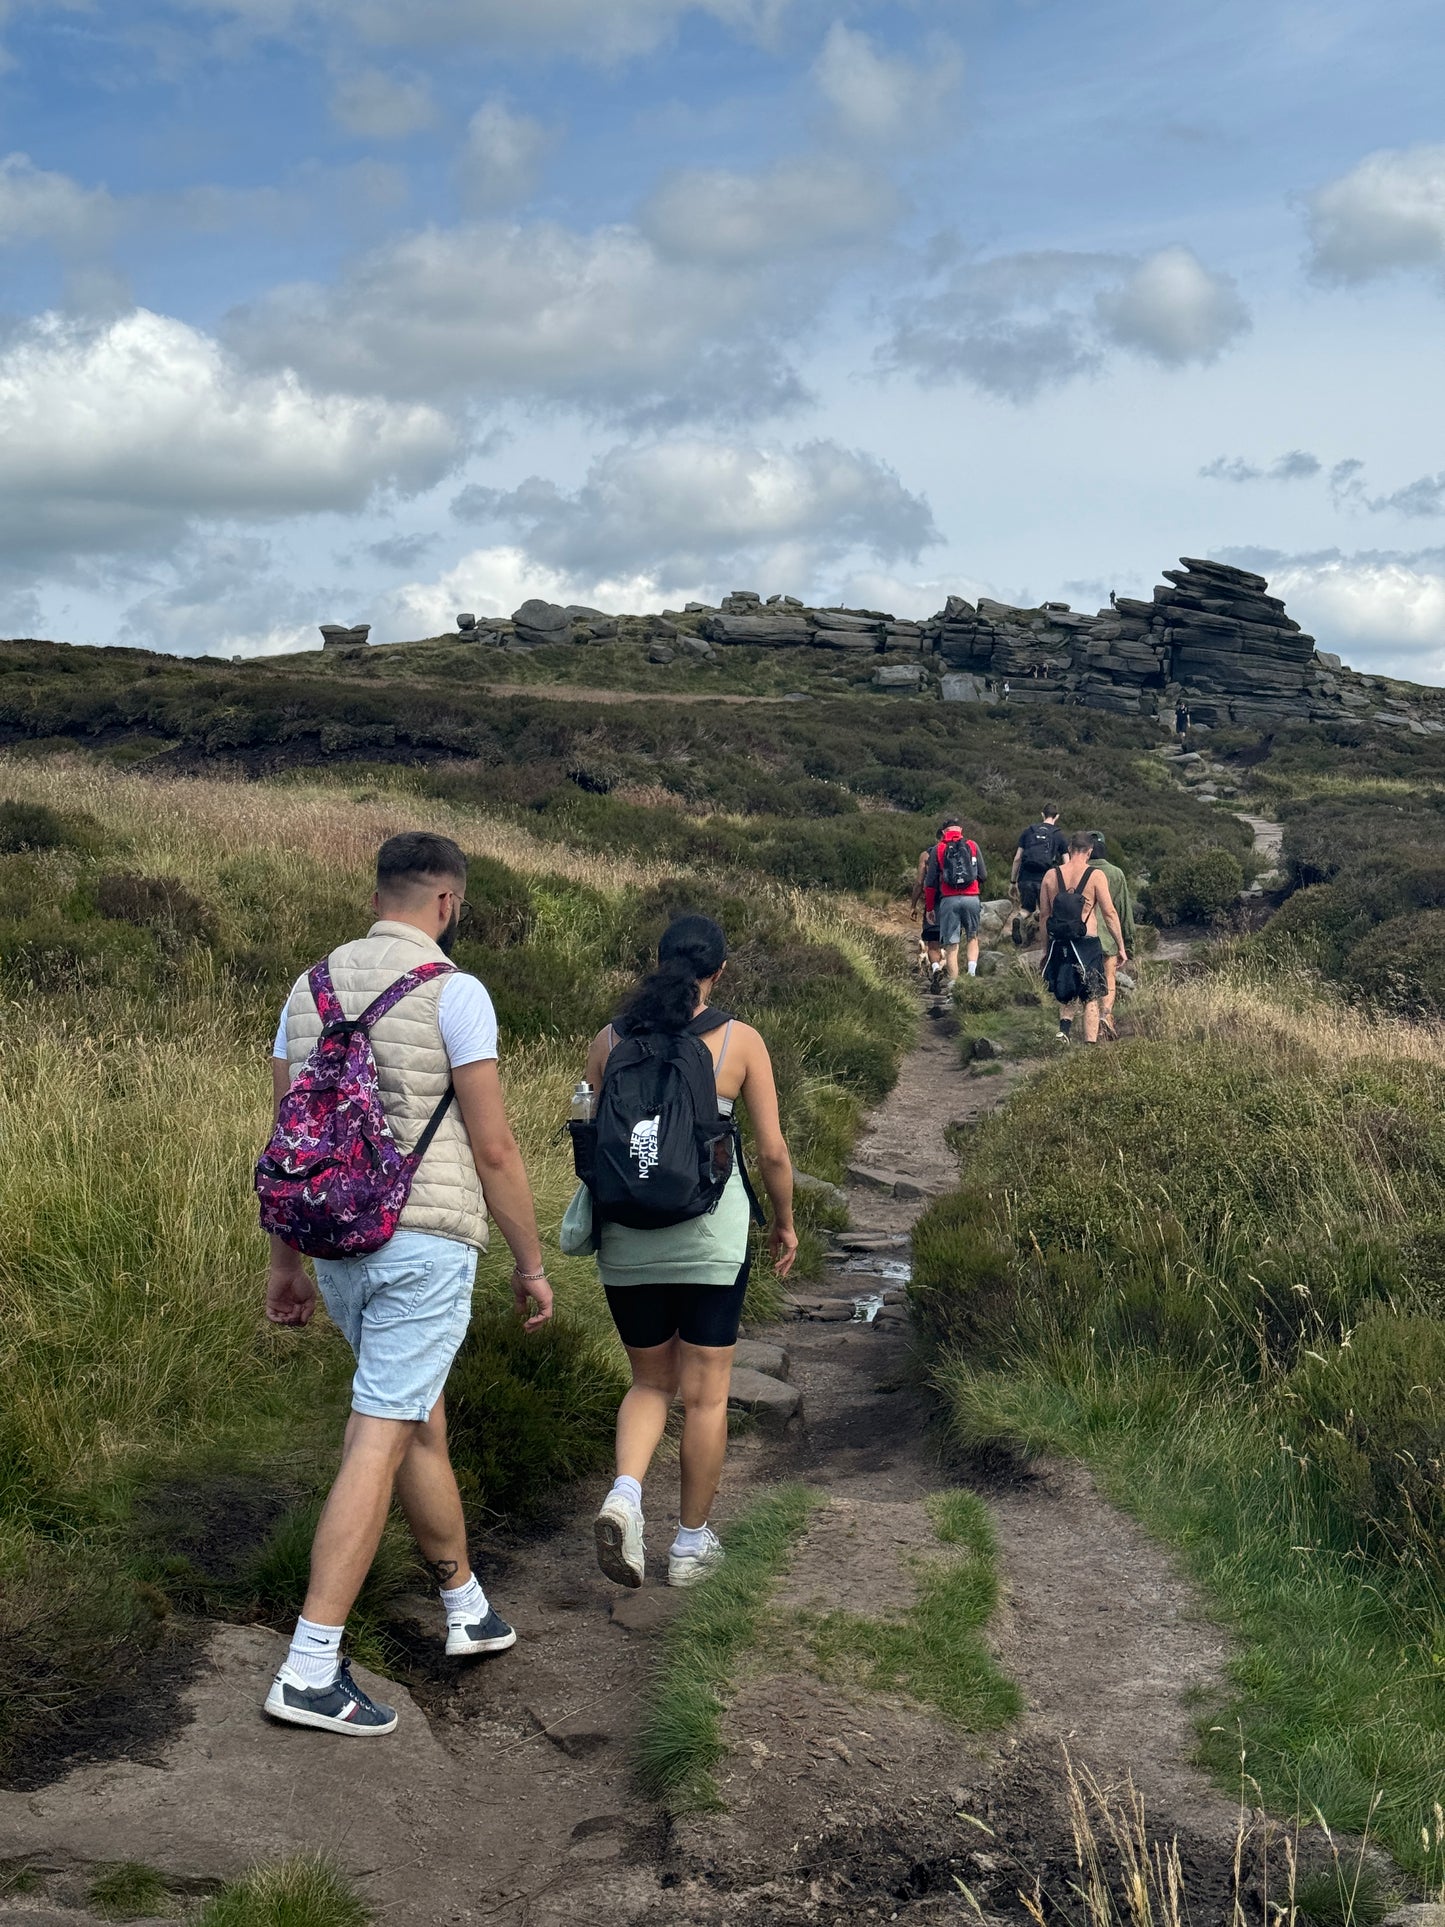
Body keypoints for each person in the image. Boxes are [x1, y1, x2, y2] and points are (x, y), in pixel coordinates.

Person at [263, 832, 554, 1738]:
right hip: (425, 1241)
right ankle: (310, 1666)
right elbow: (495, 1145)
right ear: (446, 903)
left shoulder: (305, 990)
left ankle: (466, 1605)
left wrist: (285, 1263)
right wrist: (531, 1263)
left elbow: (289, 1136)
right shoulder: (454, 991)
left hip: (337, 1242)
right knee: (378, 1434)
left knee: (414, 1414)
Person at [585, 915, 797, 1590]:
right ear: (719, 971)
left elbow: (597, 1143)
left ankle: (624, 1493)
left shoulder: (608, 1039)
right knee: (706, 1397)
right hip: (709, 1237)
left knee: (650, 1381)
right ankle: (689, 1543)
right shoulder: (739, 1041)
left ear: (657, 963)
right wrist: (784, 1222)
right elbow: (770, 1151)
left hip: (625, 1237)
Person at [1038, 833, 1128, 1044]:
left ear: (1069, 849)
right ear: (1089, 852)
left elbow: (1044, 916)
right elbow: (1110, 913)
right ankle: (1089, 1045)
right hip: (1086, 942)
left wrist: (1045, 949)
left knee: (1067, 987)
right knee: (1091, 996)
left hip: (1059, 942)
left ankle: (1064, 1032)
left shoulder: (1051, 875)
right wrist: (1121, 946)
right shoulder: (1095, 876)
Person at [922, 820, 987, 984]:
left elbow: (930, 884)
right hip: (971, 897)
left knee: (952, 945)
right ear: (961, 830)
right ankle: (971, 975)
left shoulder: (938, 849)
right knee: (972, 937)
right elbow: (983, 875)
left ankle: (953, 986)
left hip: (948, 900)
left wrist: (930, 908)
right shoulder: (972, 845)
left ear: (944, 832)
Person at [1085, 832, 1136, 1039]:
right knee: (1109, 980)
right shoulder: (1116, 873)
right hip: (1109, 938)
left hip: (1084, 939)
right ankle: (1106, 1016)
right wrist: (1128, 943)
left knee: (1088, 985)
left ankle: (1089, 1026)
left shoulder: (1079, 872)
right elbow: (1123, 910)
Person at [1010, 805, 1067, 942]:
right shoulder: (1059, 835)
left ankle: (1019, 918)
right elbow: (1066, 862)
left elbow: (1018, 858)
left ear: (1042, 814)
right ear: (1057, 816)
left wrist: (1013, 881)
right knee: (1046, 912)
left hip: (1026, 877)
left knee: (1026, 908)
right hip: (1046, 879)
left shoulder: (1029, 831)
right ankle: (1045, 943)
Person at [910, 831, 947, 991]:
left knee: (933, 944)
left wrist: (913, 905)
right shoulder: (962, 851)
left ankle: (936, 969)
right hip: (954, 902)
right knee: (953, 946)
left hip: (934, 903)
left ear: (937, 837)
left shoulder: (927, 854)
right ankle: (955, 983)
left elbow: (919, 882)